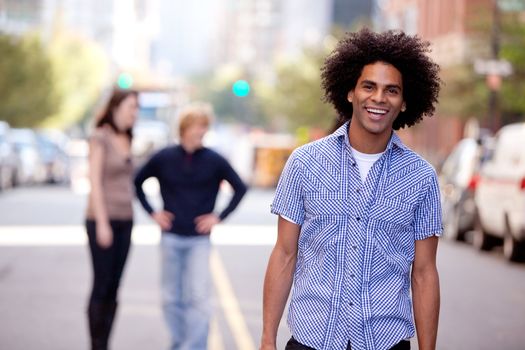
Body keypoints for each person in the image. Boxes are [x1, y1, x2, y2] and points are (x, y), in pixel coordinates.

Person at [260, 28, 442, 350]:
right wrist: (267, 338)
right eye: (368, 86)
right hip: (312, 339)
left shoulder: (422, 177)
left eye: (391, 90)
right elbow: (285, 254)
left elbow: (425, 273)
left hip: (385, 340)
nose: (378, 98)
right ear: (349, 92)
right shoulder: (304, 163)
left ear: (403, 103)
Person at [134, 102, 247, 350]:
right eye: (197, 126)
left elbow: (240, 187)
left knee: (198, 298)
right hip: (170, 237)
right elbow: (137, 181)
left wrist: (218, 217)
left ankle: (194, 347)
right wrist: (153, 213)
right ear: (184, 128)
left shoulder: (215, 160)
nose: (201, 131)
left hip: (198, 240)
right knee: (171, 298)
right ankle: (178, 343)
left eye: (204, 127)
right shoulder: (164, 157)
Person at [85, 88, 139, 349]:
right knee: (102, 284)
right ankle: (96, 344)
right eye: (131, 107)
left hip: (126, 220)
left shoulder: (128, 137)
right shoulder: (100, 137)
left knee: (115, 286)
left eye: (136, 108)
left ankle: (106, 341)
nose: (135, 113)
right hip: (101, 220)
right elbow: (94, 181)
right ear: (116, 108)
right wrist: (102, 223)